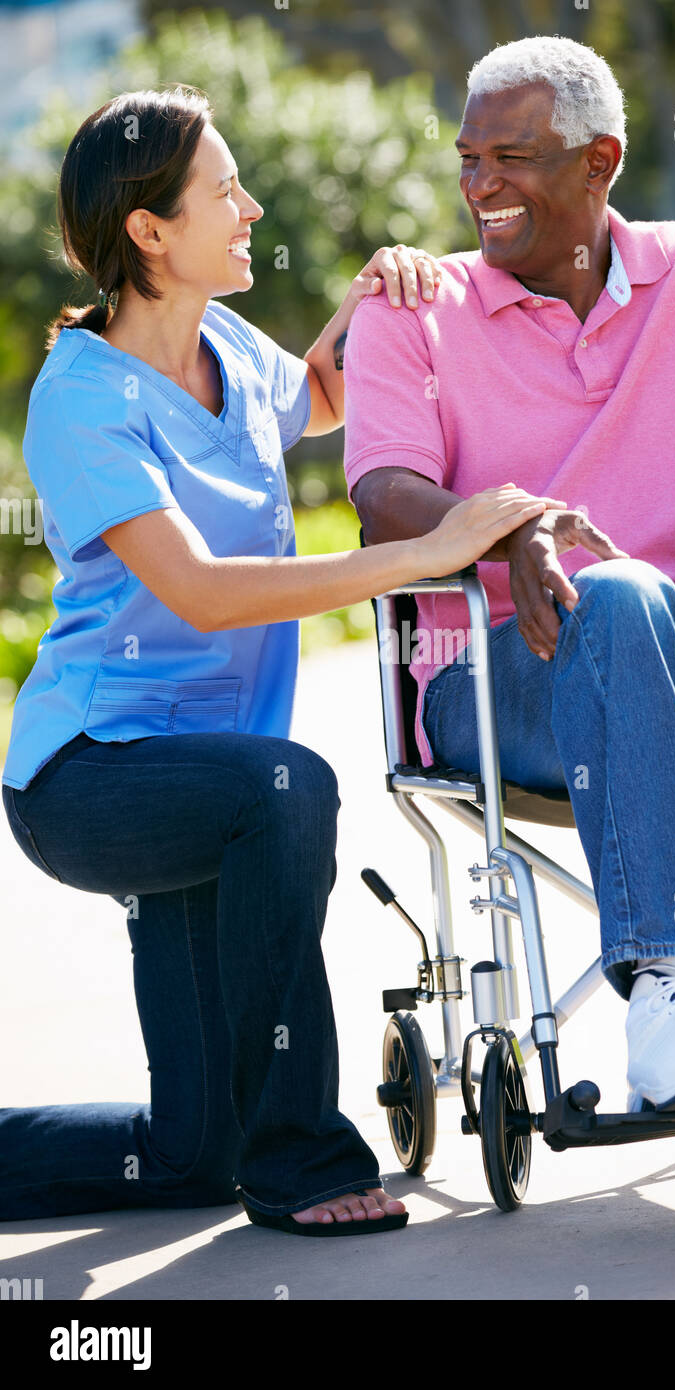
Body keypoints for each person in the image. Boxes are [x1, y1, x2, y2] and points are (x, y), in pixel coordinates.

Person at [0, 84, 560, 1236]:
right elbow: (201, 591)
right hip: (95, 778)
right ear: (149, 232)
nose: (250, 208)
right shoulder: (83, 400)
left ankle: (234, 1148)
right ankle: (302, 1157)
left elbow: (311, 395)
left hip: (206, 779)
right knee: (286, 786)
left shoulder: (222, 343)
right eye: (223, 193)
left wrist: (380, 294)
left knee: (187, 1156)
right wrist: (435, 546)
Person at [344, 36, 675, 1116]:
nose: (477, 184)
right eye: (467, 158)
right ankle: (671, 992)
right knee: (616, 593)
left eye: (511, 156)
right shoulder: (412, 308)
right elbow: (383, 493)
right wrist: (509, 527)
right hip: (503, 680)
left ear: (598, 162)